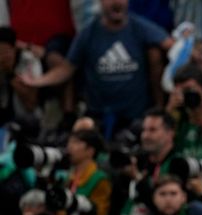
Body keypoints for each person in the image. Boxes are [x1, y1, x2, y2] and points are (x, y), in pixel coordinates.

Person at [21, 0, 172, 136]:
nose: (117, 2)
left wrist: (188, 47)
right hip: (98, 116)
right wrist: (38, 81)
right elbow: (67, 68)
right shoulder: (89, 32)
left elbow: (171, 44)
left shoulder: (140, 27)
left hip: (135, 118)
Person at [66, 129, 111, 215]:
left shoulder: (99, 179)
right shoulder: (68, 177)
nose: (69, 147)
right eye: (69, 142)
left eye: (76, 142)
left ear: (90, 150)